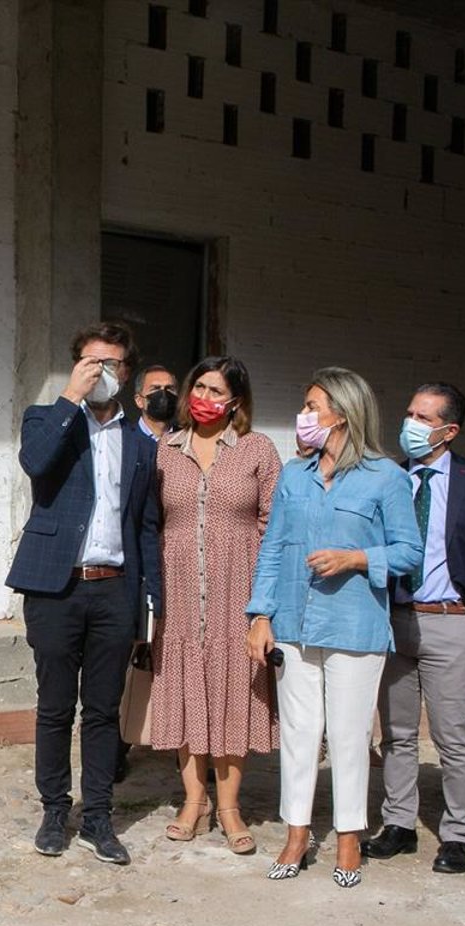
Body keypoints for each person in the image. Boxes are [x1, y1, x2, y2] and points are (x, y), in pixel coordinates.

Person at [247, 368, 421, 887]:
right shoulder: (294, 476)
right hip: (294, 623)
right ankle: (296, 832)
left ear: (342, 414)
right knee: (300, 734)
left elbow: (409, 550)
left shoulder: (385, 477)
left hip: (355, 625)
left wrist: (357, 558)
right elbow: (272, 548)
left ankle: (348, 837)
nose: (304, 417)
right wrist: (259, 615)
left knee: (348, 736)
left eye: (312, 407)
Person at [7, 322, 162, 867]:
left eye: (112, 364)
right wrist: (70, 396)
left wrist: (151, 603)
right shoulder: (46, 419)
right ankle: (55, 809)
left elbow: (146, 526)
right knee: (54, 708)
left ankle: (98, 814)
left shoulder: (140, 444)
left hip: (114, 591)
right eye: (91, 363)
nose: (102, 373)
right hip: (55, 587)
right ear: (76, 365)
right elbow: (35, 463)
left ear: (127, 373)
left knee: (101, 711)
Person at [364, 384, 465, 874]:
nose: (410, 424)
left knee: (454, 736)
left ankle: (458, 833)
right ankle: (399, 825)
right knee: (398, 734)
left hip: (453, 622)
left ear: (449, 430)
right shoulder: (387, 477)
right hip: (395, 621)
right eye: (409, 413)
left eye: (423, 417)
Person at [148, 356, 281, 852]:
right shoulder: (165, 450)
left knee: (231, 696)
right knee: (186, 692)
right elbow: (151, 522)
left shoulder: (257, 450)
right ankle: (192, 799)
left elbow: (275, 525)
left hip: (238, 594)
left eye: (215, 390)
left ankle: (229, 806)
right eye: (198, 387)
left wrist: (264, 602)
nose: (203, 397)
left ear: (236, 402)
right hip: (180, 592)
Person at [114, 362, 181, 780]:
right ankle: (117, 747)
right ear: (139, 399)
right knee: (127, 658)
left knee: (177, 657)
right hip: (134, 564)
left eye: (172, 389)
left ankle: (187, 750)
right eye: (156, 389)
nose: (164, 396)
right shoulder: (124, 442)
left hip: (175, 562)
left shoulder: (187, 445)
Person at [132, 364, 179, 442]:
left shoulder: (186, 439)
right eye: (155, 389)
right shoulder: (125, 438)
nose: (163, 394)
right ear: (139, 400)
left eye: (169, 388)